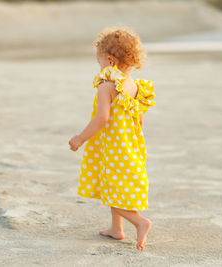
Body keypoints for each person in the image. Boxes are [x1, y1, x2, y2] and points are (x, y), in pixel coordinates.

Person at [68, 27, 156, 251]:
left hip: (113, 147)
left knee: (112, 193)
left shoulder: (106, 87)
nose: (100, 68)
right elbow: (139, 119)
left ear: (110, 61)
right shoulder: (135, 87)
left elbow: (102, 118)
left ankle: (140, 222)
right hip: (130, 146)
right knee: (114, 187)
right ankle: (116, 229)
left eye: (100, 64)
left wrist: (80, 138)